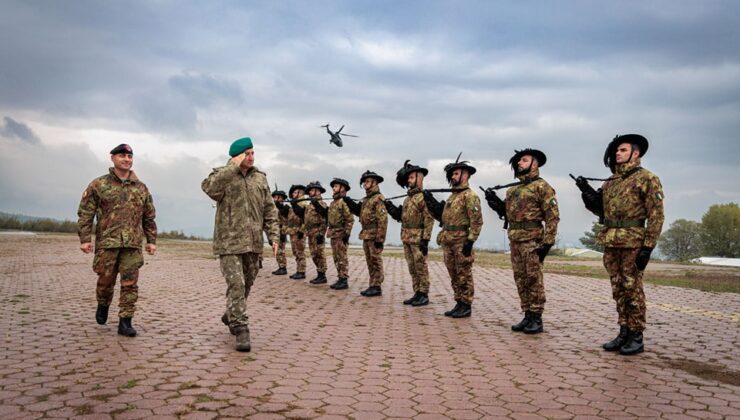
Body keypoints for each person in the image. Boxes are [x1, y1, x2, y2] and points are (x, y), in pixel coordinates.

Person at [579, 134, 664, 355]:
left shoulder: (647, 178)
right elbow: (601, 211)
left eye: (623, 150)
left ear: (636, 153)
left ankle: (636, 335)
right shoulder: (611, 182)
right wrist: (587, 193)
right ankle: (624, 330)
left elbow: (656, 215)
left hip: (633, 241)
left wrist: (648, 247)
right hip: (611, 240)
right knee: (618, 288)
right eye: (617, 150)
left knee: (632, 288)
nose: (618, 153)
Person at [201, 137, 279, 352]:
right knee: (236, 284)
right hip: (229, 243)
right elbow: (209, 189)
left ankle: (231, 313)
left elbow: (269, 210)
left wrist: (273, 236)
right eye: (247, 153)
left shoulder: (260, 179)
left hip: (253, 243)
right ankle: (241, 327)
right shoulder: (222, 175)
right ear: (237, 156)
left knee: (247, 283)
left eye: (253, 153)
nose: (252, 157)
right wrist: (231, 167)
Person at [77, 143, 157, 337]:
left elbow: (149, 216)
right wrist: (85, 239)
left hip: (132, 244)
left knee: (130, 284)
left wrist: (151, 240)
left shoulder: (141, 188)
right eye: (122, 156)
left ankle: (125, 321)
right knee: (105, 281)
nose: (126, 160)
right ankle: (103, 304)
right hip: (107, 244)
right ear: (112, 158)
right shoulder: (99, 184)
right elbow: (86, 213)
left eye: (130, 157)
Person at [484, 149, 559, 334]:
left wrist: (547, 243)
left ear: (535, 164)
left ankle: (536, 317)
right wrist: (496, 205)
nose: (519, 163)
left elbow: (552, 216)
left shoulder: (542, 187)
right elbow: (508, 214)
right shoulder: (513, 189)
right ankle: (527, 314)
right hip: (515, 239)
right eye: (519, 161)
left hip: (532, 240)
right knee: (520, 279)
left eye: (524, 160)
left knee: (534, 279)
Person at [424, 154, 483, 318]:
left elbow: (477, 221)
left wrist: (470, 241)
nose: (452, 176)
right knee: (454, 274)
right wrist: (432, 205)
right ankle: (459, 302)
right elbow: (443, 219)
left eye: (456, 174)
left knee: (464, 274)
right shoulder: (452, 196)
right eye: (452, 174)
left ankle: (466, 304)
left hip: (461, 241)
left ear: (466, 175)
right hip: (448, 241)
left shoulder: (469, 196)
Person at [385, 160, 435, 306]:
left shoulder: (423, 198)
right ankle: (417, 292)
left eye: (412, 177)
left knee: (420, 267)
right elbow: (403, 218)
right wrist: (392, 209)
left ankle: (424, 293)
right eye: (408, 178)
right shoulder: (408, 199)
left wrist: (425, 240)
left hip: (418, 239)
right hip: (407, 237)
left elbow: (429, 219)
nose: (409, 180)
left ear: (419, 178)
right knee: (412, 267)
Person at [344, 171, 388, 297]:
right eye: (364, 181)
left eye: (367, 181)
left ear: (375, 182)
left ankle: (377, 286)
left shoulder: (378, 198)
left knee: (375, 260)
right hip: (366, 234)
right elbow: (361, 214)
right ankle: (372, 284)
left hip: (374, 234)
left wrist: (380, 239)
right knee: (370, 261)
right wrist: (351, 205)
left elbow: (383, 220)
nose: (364, 184)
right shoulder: (367, 199)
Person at [326, 178, 355, 290]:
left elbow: (350, 219)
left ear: (343, 188)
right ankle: (340, 278)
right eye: (333, 187)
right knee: (336, 257)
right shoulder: (333, 203)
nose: (333, 188)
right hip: (333, 234)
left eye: (336, 186)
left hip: (340, 234)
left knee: (342, 257)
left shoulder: (344, 202)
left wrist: (346, 234)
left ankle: (344, 280)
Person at [303, 181, 329, 284]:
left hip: (317, 232)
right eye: (311, 191)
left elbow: (324, 220)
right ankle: (319, 273)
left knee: (319, 253)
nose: (313, 192)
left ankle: (322, 275)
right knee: (313, 254)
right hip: (310, 233)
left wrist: (321, 234)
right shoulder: (310, 205)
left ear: (319, 192)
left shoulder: (321, 204)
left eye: (316, 190)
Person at [286, 185, 308, 279]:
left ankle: (301, 271)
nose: (293, 194)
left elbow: (305, 219)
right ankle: (298, 270)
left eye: (295, 192)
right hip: (293, 231)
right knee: (296, 252)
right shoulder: (295, 203)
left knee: (300, 252)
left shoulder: (303, 204)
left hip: (299, 231)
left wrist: (302, 231)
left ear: (301, 193)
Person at [271, 186, 289, 276]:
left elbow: (286, 219)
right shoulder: (272, 208)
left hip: (282, 231)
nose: (276, 199)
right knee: (276, 250)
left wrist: (283, 233)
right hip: (275, 231)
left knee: (281, 250)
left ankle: (283, 267)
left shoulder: (285, 207)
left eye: (279, 197)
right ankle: (280, 266)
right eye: (275, 197)